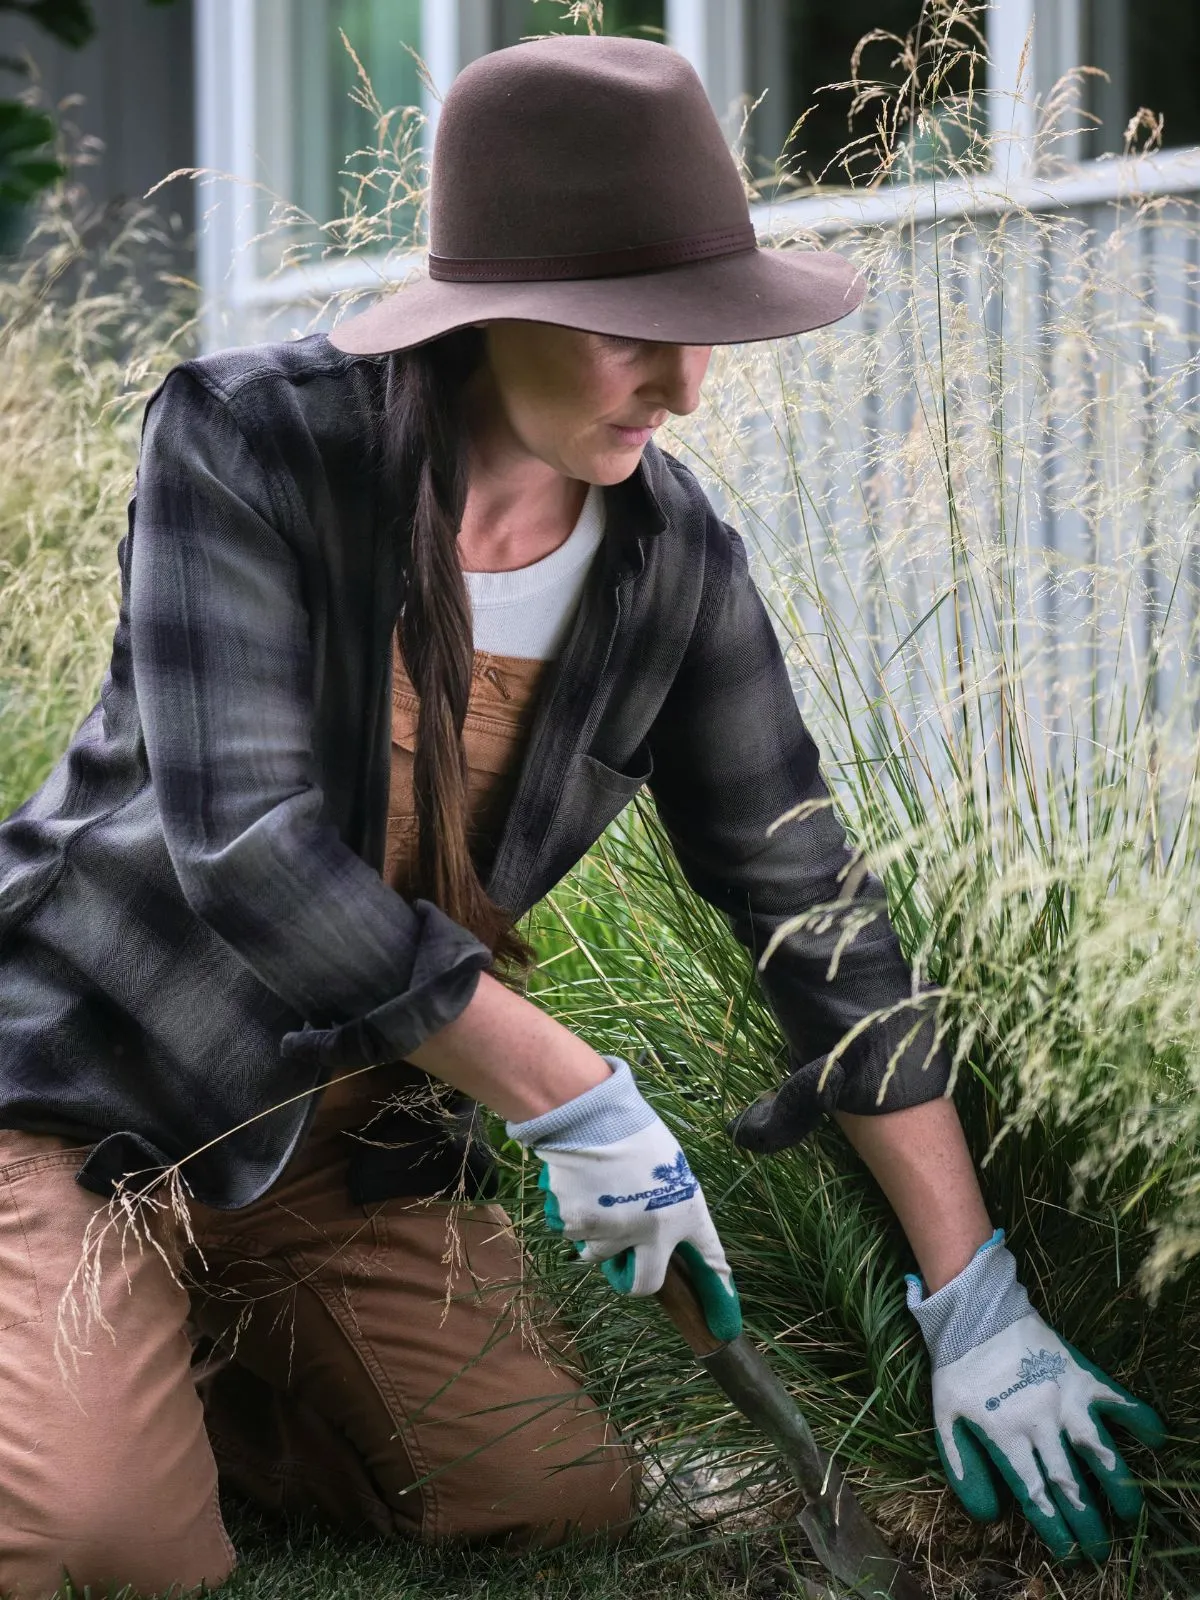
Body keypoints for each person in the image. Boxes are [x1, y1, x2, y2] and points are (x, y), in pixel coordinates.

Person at [0, 33, 1164, 1598]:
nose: (686, 385)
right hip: (90, 1099)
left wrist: (974, 1296)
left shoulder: (671, 563)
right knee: (100, 1549)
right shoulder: (250, 442)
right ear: (499, 312)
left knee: (547, 1493)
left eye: (703, 334)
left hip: (352, 1148)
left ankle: (191, 1368)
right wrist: (574, 1097)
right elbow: (248, 853)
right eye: (640, 333)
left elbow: (815, 907)